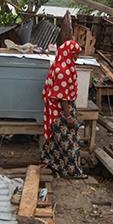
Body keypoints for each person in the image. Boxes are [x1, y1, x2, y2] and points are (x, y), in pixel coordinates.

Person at [41, 40, 85, 178]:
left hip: (57, 109)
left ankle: (52, 163)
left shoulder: (61, 64)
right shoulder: (63, 71)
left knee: (56, 139)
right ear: (68, 53)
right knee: (69, 142)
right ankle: (72, 172)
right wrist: (68, 116)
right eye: (75, 54)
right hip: (61, 111)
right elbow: (62, 97)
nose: (77, 57)